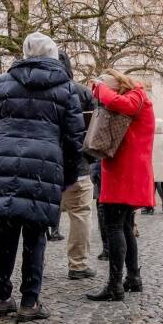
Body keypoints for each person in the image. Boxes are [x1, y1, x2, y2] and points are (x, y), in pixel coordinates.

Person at [0, 32, 85, 323]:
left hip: (2, 161)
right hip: (44, 165)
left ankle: (0, 297)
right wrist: (69, 175)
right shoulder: (66, 88)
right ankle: (29, 301)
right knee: (35, 235)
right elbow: (75, 139)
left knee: (4, 233)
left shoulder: (3, 83)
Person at [87, 69, 154, 302]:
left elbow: (118, 103)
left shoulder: (136, 96)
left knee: (114, 225)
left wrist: (99, 88)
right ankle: (133, 278)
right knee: (124, 225)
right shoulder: (138, 97)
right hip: (128, 170)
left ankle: (114, 285)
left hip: (125, 171)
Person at [58, 50, 97, 281]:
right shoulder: (82, 92)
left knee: (37, 217)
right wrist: (89, 159)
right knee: (80, 214)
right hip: (78, 165)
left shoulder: (34, 89)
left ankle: (34, 265)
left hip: (44, 165)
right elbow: (93, 132)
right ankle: (78, 264)